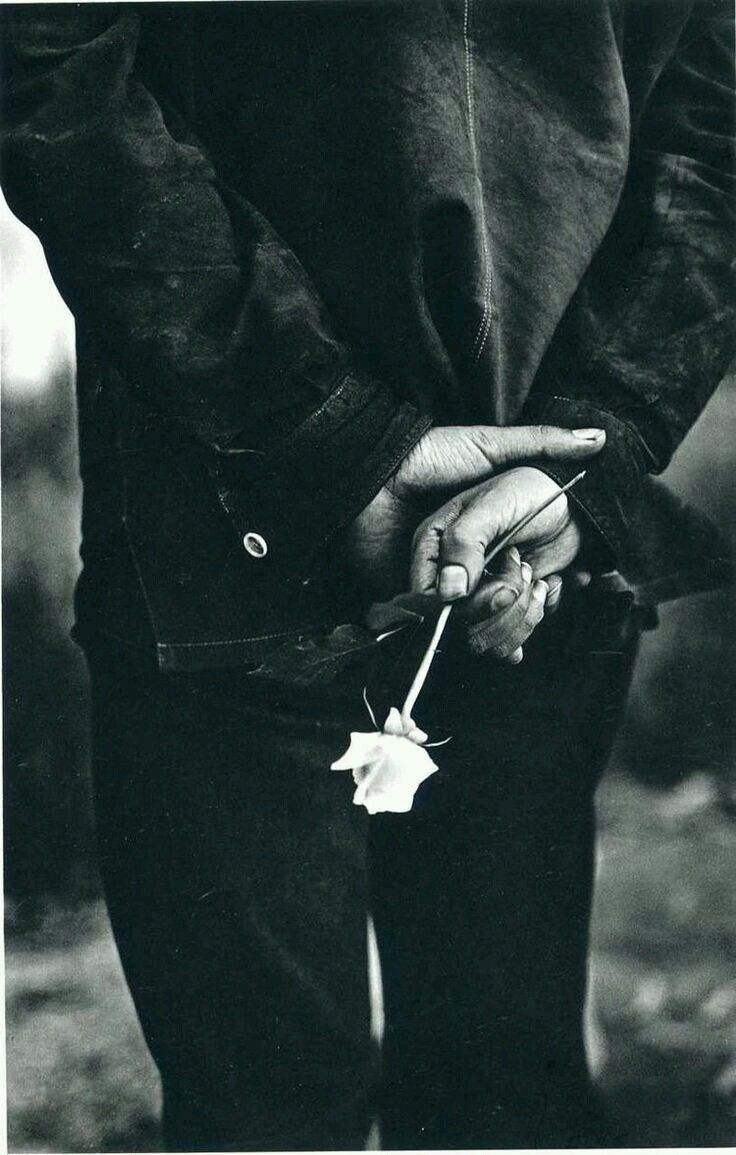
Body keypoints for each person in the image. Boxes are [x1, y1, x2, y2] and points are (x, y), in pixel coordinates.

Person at [2, 2, 733, 1149]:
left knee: (488, 1095)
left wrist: (590, 444)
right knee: (300, 1111)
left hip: (515, 530)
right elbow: (51, 65)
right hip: (271, 524)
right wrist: (347, 439)